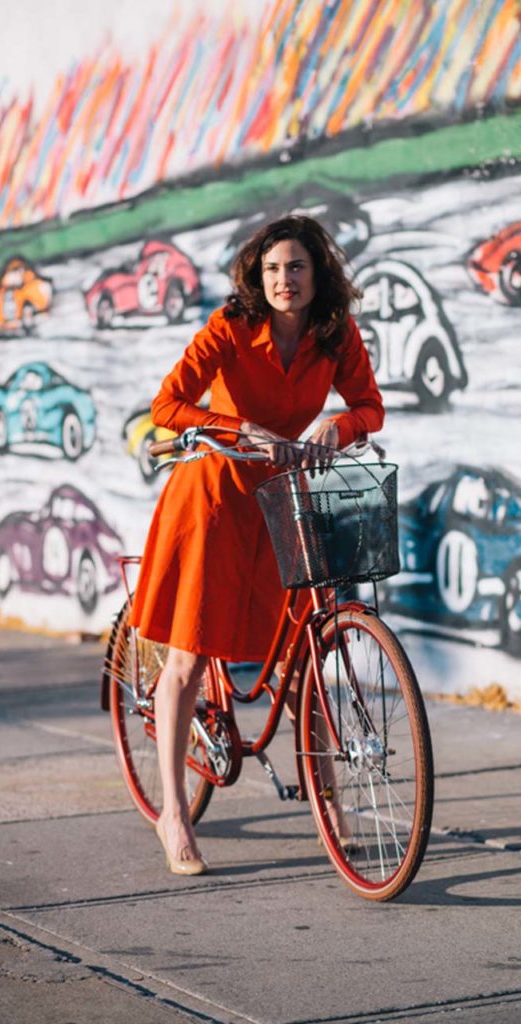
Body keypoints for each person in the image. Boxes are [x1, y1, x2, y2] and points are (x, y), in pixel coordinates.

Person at [129, 214, 385, 875]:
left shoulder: (336, 333)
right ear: (257, 275)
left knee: (300, 651)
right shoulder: (231, 328)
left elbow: (370, 408)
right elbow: (168, 405)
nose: (283, 280)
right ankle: (175, 817)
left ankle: (332, 803)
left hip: (283, 494)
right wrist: (237, 427)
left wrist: (342, 425)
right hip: (212, 496)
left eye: (296, 267)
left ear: (317, 273)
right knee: (187, 656)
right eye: (272, 269)